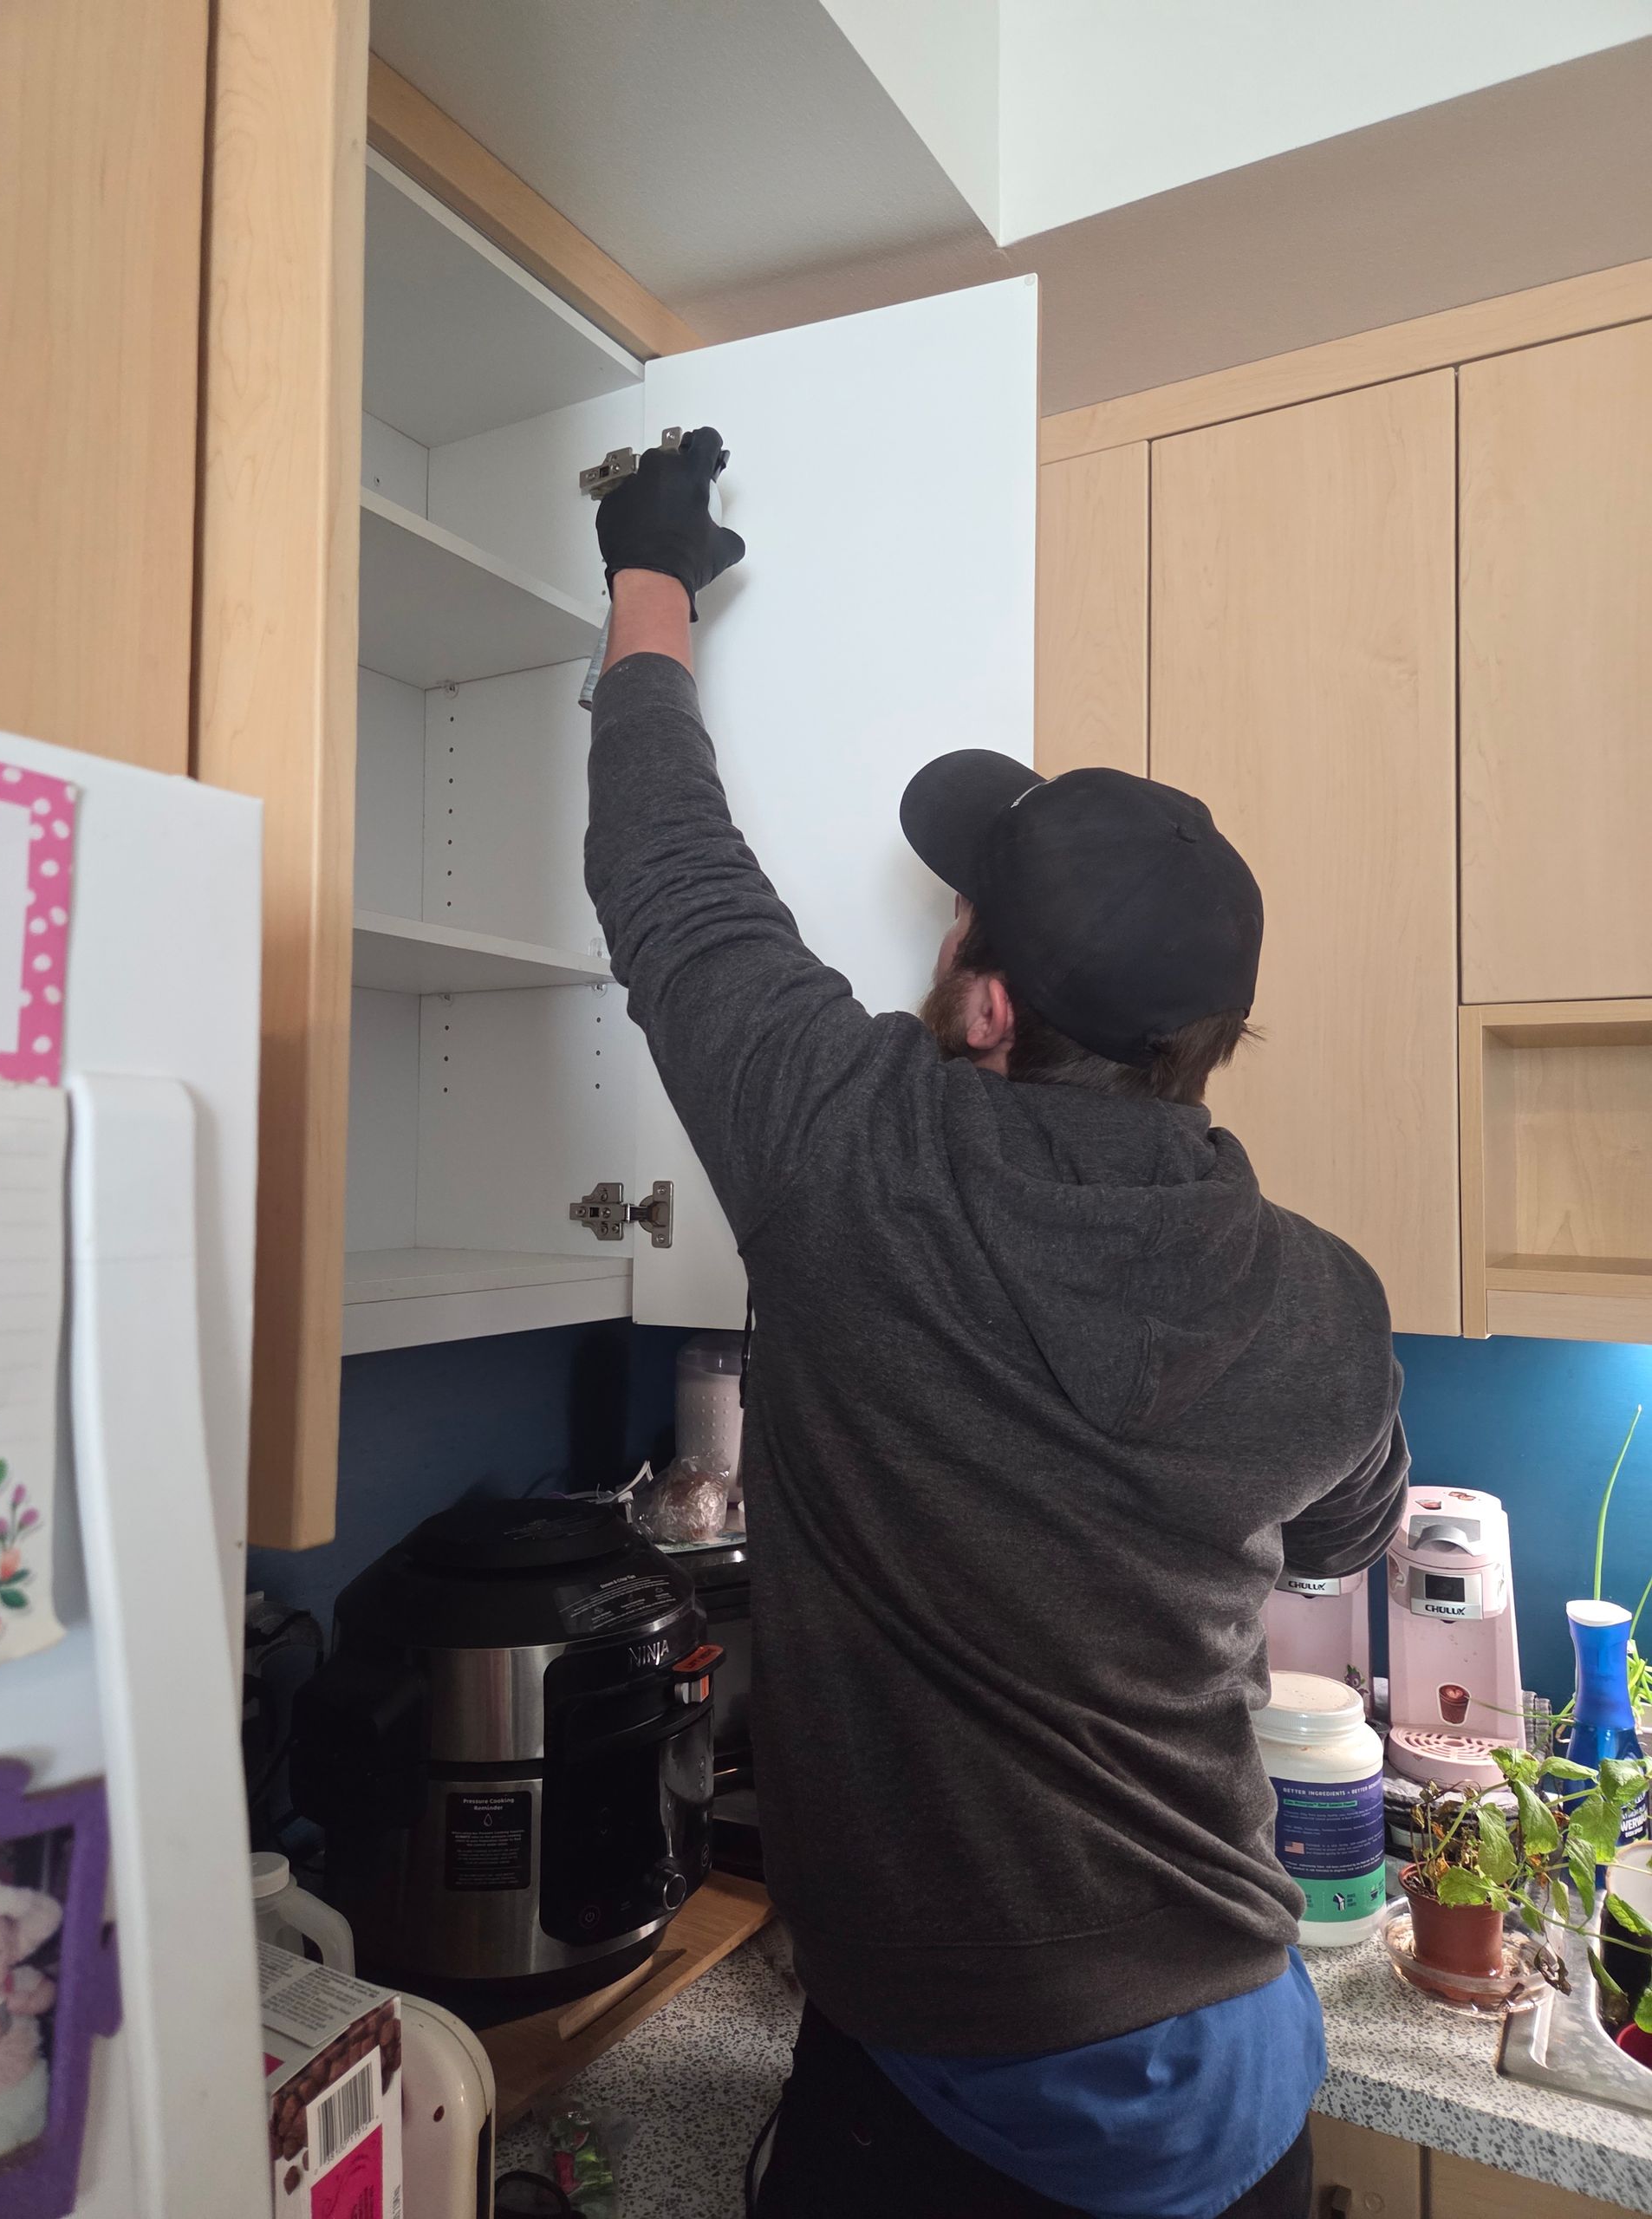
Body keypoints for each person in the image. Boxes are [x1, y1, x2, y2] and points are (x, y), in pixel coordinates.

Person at [584, 431, 1408, 2219]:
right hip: (1247, 2074)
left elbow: (667, 867)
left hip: (954, 2098)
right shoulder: (1326, 1306)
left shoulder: (848, 1151)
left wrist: (651, 566)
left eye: (958, 910)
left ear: (985, 999)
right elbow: (1348, 1528)